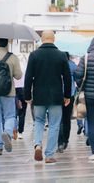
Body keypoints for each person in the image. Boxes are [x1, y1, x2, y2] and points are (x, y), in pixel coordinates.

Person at [24, 31, 71, 163]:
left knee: (38, 121)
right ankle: (49, 155)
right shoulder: (61, 55)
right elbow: (67, 78)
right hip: (56, 96)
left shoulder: (34, 55)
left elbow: (28, 77)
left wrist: (27, 95)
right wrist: (67, 95)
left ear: (42, 39)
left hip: (39, 95)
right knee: (54, 125)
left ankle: (38, 144)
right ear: (53, 39)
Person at [0, 38, 22, 155]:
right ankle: (7, 132)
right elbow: (18, 76)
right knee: (10, 116)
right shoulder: (12, 57)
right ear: (7, 43)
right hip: (8, 92)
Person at [14, 60, 27, 140]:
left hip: (13, 90)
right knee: (22, 112)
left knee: (13, 112)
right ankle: (20, 132)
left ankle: (14, 130)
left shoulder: (12, 66)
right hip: (23, 89)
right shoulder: (25, 66)